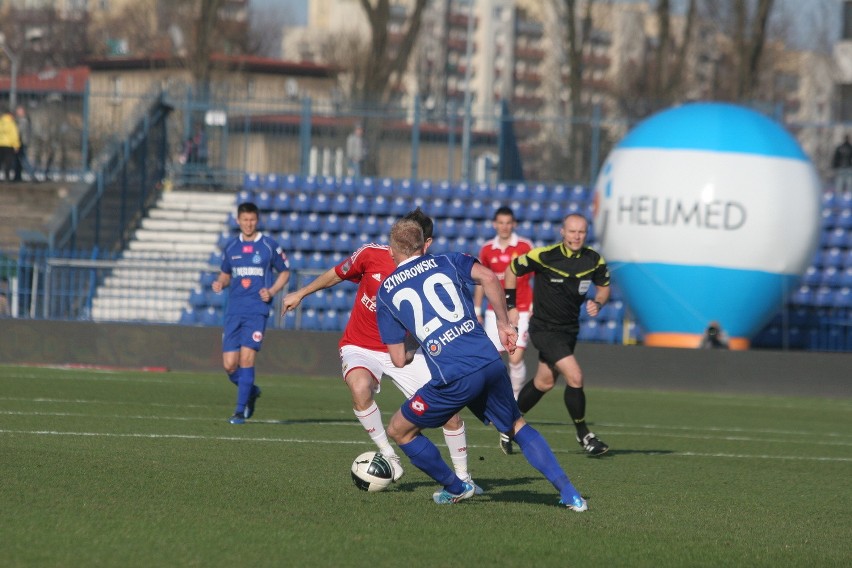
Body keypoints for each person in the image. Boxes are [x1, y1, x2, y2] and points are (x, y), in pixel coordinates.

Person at [376, 219, 588, 511]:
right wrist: (503, 325)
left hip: (454, 375)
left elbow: (398, 359)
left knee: (400, 430)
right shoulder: (447, 260)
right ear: (423, 245)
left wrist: (423, 341)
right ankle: (570, 494)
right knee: (516, 425)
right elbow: (489, 277)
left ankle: (456, 487)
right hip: (488, 360)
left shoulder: (386, 291)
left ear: (391, 250)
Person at [281, 208, 479, 489]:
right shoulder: (370, 255)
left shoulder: (433, 269)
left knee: (451, 414)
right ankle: (388, 454)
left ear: (427, 243)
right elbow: (338, 274)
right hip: (360, 345)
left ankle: (463, 478)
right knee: (360, 389)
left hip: (405, 350)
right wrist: (300, 293)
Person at [503, 213, 610, 457]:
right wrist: (511, 305)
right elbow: (511, 270)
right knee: (575, 376)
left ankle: (507, 423)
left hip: (569, 330)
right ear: (562, 232)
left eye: (581, 232)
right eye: (572, 231)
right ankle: (584, 434)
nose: (576, 236)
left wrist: (599, 302)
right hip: (543, 328)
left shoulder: (593, 260)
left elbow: (604, 286)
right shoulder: (544, 255)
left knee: (544, 382)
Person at [212, 201, 290, 424]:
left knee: (247, 359)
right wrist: (220, 283)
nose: (248, 224)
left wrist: (272, 290)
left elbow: (285, 272)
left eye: (252, 220)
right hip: (234, 311)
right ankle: (251, 390)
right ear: (238, 221)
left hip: (256, 311)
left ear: (257, 220)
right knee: (229, 365)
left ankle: (239, 411)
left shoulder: (268, 245)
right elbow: (225, 274)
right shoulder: (231, 247)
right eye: (244, 220)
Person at [472, 206, 534, 455]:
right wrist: (477, 306)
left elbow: (532, 277)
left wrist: (530, 307)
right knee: (494, 361)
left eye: (508, 222)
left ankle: (514, 404)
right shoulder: (487, 249)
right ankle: (500, 406)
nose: (505, 226)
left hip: (522, 309)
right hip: (493, 312)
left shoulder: (525, 246)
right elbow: (481, 279)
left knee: (515, 356)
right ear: (495, 224)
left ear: (514, 223)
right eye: (500, 222)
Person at [13, 106, 38, 182]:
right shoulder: (24, 120)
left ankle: (31, 174)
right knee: (18, 159)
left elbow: (19, 132)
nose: (17, 113)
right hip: (22, 142)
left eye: (19, 111)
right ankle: (17, 176)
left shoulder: (23, 121)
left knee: (23, 159)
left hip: (21, 142)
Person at [0, 111, 20, 182]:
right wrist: (16, 145)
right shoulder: (11, 123)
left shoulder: (1, 122)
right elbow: (14, 135)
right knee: (8, 162)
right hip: (8, 145)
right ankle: (7, 177)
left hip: (0, 144)